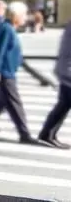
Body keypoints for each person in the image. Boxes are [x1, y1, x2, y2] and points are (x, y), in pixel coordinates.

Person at [0, 2, 39, 144]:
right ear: (15, 16)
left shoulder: (9, 28)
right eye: (23, 15)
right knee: (15, 103)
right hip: (5, 73)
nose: (26, 17)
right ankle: (24, 134)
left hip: (8, 71)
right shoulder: (5, 29)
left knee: (2, 101)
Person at [38, 16, 71, 149]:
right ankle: (47, 134)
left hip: (65, 69)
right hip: (68, 70)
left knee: (64, 104)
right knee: (64, 104)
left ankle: (47, 134)